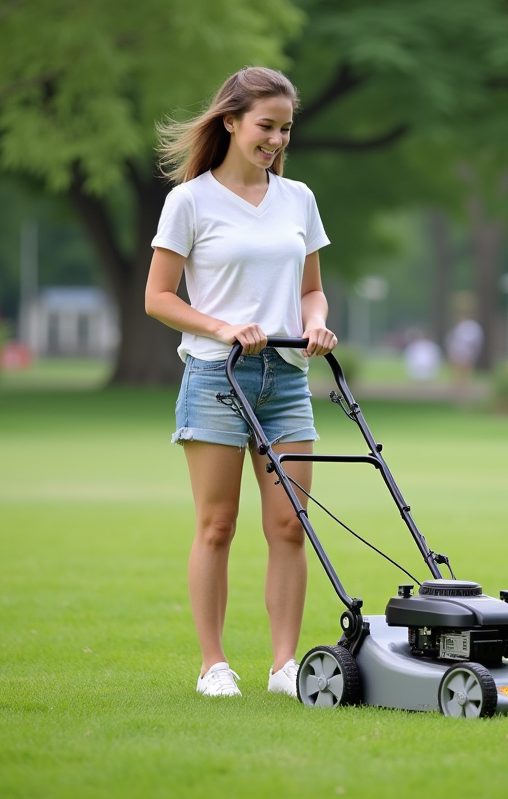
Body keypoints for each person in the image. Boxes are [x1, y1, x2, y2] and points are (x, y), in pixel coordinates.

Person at [144, 68, 336, 698]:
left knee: (289, 526)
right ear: (230, 121)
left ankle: (286, 665)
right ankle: (214, 664)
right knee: (217, 525)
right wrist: (222, 327)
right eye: (265, 126)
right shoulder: (190, 201)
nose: (276, 139)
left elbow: (311, 290)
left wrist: (317, 326)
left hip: (285, 377)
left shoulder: (298, 198)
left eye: (284, 128)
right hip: (214, 376)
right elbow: (158, 297)